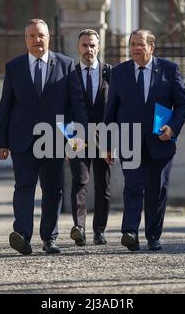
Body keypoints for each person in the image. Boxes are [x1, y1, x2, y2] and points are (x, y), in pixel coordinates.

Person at [0, 19, 87, 255]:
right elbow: (5, 105)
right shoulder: (14, 67)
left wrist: (76, 138)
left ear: (49, 37)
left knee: (52, 189)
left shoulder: (66, 65)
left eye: (41, 36)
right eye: (32, 36)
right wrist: (1, 141)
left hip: (54, 140)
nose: (37, 40)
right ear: (26, 39)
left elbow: (76, 105)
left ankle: (49, 238)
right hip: (22, 139)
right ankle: (22, 235)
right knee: (23, 187)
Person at [104, 29, 185, 251]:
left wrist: (172, 128)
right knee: (133, 186)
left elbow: (182, 105)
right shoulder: (119, 73)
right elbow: (110, 110)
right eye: (132, 44)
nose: (135, 48)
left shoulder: (169, 70)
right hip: (128, 140)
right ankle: (130, 232)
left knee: (157, 190)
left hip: (160, 141)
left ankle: (153, 235)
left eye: (140, 44)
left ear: (152, 47)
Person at [68, 29, 112, 246]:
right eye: (84, 45)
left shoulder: (109, 73)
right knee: (80, 182)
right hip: (77, 138)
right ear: (79, 48)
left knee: (103, 186)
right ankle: (79, 228)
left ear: (99, 47)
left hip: (105, 138)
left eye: (92, 45)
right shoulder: (70, 75)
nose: (88, 49)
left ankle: (99, 231)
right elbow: (64, 109)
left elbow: (116, 108)